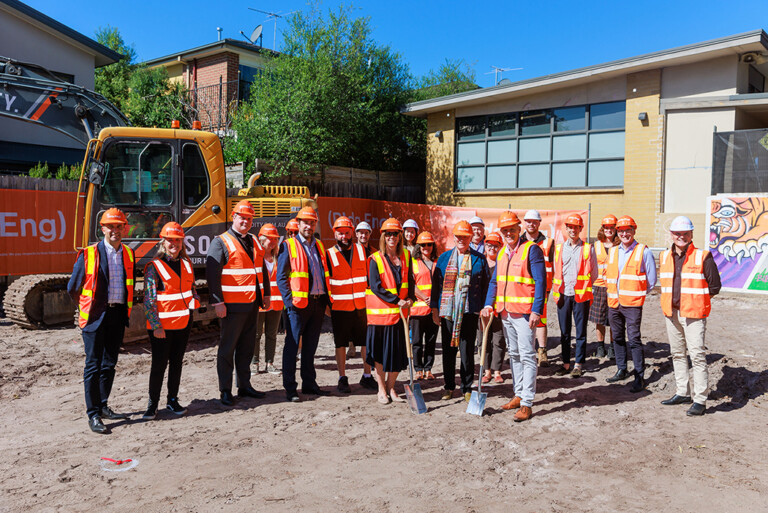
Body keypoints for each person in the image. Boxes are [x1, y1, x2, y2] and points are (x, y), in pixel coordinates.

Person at [67, 208, 135, 434]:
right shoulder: (89, 253)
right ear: (102, 228)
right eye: (111, 226)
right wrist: (86, 308)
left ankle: (103, 405)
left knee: (109, 364)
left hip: (117, 315)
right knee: (93, 365)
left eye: (119, 226)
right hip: (95, 316)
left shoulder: (128, 253)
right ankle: (93, 414)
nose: (115, 230)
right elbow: (73, 288)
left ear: (124, 228)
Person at [481, 211, 546, 422]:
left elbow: (540, 282)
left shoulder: (531, 250)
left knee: (527, 356)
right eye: (505, 230)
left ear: (520, 230)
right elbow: (494, 283)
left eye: (512, 229)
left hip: (525, 314)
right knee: (515, 355)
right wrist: (488, 304)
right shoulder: (501, 253)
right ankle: (518, 395)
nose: (509, 233)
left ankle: (527, 402)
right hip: (506, 312)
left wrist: (537, 310)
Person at [206, 200, 270, 406]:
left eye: (249, 218)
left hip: (252, 303)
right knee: (227, 348)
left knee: (247, 347)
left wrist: (266, 294)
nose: (245, 221)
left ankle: (245, 386)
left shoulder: (254, 240)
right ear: (233, 217)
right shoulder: (220, 242)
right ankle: (225, 390)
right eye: (242, 217)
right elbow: (212, 275)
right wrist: (218, 302)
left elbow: (262, 269)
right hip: (231, 305)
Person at [659, 216, 721, 416]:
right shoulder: (664, 256)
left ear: (691, 234)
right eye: (677, 233)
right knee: (677, 353)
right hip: (672, 312)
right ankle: (682, 392)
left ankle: (700, 400)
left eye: (685, 233)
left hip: (693, 313)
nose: (681, 237)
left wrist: (697, 301)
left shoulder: (703, 256)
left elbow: (714, 286)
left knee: (697, 355)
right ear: (672, 235)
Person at [142, 222, 201, 420]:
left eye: (177, 240)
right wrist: (156, 325)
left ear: (182, 242)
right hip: (161, 327)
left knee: (176, 363)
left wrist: (196, 299)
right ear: (163, 242)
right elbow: (149, 300)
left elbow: (191, 288)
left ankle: (172, 400)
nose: (174, 243)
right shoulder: (154, 267)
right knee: (159, 365)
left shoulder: (186, 263)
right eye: (170, 240)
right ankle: (152, 405)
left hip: (183, 323)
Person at [277, 206, 332, 402]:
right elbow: (281, 277)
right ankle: (290, 389)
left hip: (317, 303)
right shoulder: (288, 245)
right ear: (298, 224)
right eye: (305, 222)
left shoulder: (319, 246)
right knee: (292, 347)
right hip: (298, 305)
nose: (309, 226)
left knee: (310, 347)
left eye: (312, 222)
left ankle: (309, 384)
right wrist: (288, 302)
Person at [432, 220, 489, 402]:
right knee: (448, 352)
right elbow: (436, 287)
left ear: (470, 237)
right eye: (458, 236)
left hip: (469, 311)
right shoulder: (443, 259)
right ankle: (449, 387)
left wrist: (484, 307)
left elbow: (486, 286)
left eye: (465, 236)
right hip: (448, 312)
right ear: (454, 237)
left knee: (466, 351)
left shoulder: (479, 260)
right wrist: (434, 308)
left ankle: (467, 387)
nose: (461, 240)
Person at [605, 216, 657, 393]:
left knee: (634, 340)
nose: (624, 233)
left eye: (628, 230)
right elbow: (607, 276)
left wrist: (636, 293)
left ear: (634, 231)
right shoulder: (612, 251)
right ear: (617, 233)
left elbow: (651, 280)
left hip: (632, 303)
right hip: (614, 302)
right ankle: (621, 369)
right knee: (617, 338)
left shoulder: (643, 251)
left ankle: (639, 377)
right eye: (621, 231)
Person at [365, 218, 415, 404]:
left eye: (395, 234)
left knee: (397, 354)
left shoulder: (406, 257)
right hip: (381, 317)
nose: (392, 237)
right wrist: (397, 300)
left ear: (400, 236)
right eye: (388, 234)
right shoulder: (374, 259)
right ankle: (381, 390)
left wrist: (410, 298)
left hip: (400, 315)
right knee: (380, 355)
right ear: (383, 237)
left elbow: (410, 280)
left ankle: (391, 388)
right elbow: (376, 287)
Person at [326, 216, 377, 393]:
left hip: (362, 307)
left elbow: (371, 278)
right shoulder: (329, 254)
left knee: (365, 343)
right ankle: (342, 378)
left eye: (347, 233)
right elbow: (327, 283)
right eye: (340, 233)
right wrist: (328, 306)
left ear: (351, 233)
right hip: (340, 309)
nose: (344, 236)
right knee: (340, 344)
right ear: (335, 234)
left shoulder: (363, 251)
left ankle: (367, 376)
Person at [551, 214, 597, 378]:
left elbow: (594, 273)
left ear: (580, 229)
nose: (572, 229)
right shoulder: (558, 248)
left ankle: (578, 364)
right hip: (563, 294)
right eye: (570, 226)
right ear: (566, 228)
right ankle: (565, 363)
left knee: (580, 331)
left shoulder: (588, 248)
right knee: (564, 332)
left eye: (576, 227)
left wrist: (583, 287)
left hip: (580, 296)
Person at [521, 209, 554, 367]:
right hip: (522, 287)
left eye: (534, 221)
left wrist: (550, 287)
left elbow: (554, 266)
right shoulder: (519, 241)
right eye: (528, 221)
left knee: (541, 319)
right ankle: (527, 350)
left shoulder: (548, 242)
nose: (531, 224)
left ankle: (542, 351)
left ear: (539, 223)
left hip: (542, 288)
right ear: (524, 223)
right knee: (522, 321)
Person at [251, 224, 283, 375]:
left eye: (275, 239)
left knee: (272, 334)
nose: (273, 242)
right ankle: (254, 363)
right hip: (259, 303)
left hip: (276, 302)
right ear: (261, 240)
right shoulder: (255, 258)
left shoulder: (279, 257)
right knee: (256, 334)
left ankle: (269, 363)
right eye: (270, 239)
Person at [410, 231, 439, 381]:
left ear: (433, 246)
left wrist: (434, 301)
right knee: (416, 342)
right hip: (417, 310)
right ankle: (418, 369)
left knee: (430, 341)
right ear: (418, 247)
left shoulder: (438, 262)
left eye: (429, 244)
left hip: (433, 310)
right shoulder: (413, 262)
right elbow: (411, 285)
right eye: (423, 245)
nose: (426, 247)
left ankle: (428, 369)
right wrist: (425, 298)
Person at [589, 215, 619, 359]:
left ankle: (612, 347)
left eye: (612, 227)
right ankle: (600, 346)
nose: (609, 230)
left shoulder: (620, 246)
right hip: (599, 287)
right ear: (602, 229)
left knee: (614, 319)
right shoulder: (596, 245)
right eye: (606, 227)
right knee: (599, 319)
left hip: (615, 287)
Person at [480, 232, 506, 384]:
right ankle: (487, 371)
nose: (492, 248)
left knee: (498, 340)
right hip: (483, 310)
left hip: (499, 308)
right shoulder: (481, 262)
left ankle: (497, 371)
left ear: (500, 247)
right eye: (489, 245)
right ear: (485, 246)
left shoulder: (503, 263)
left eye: (495, 246)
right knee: (484, 340)